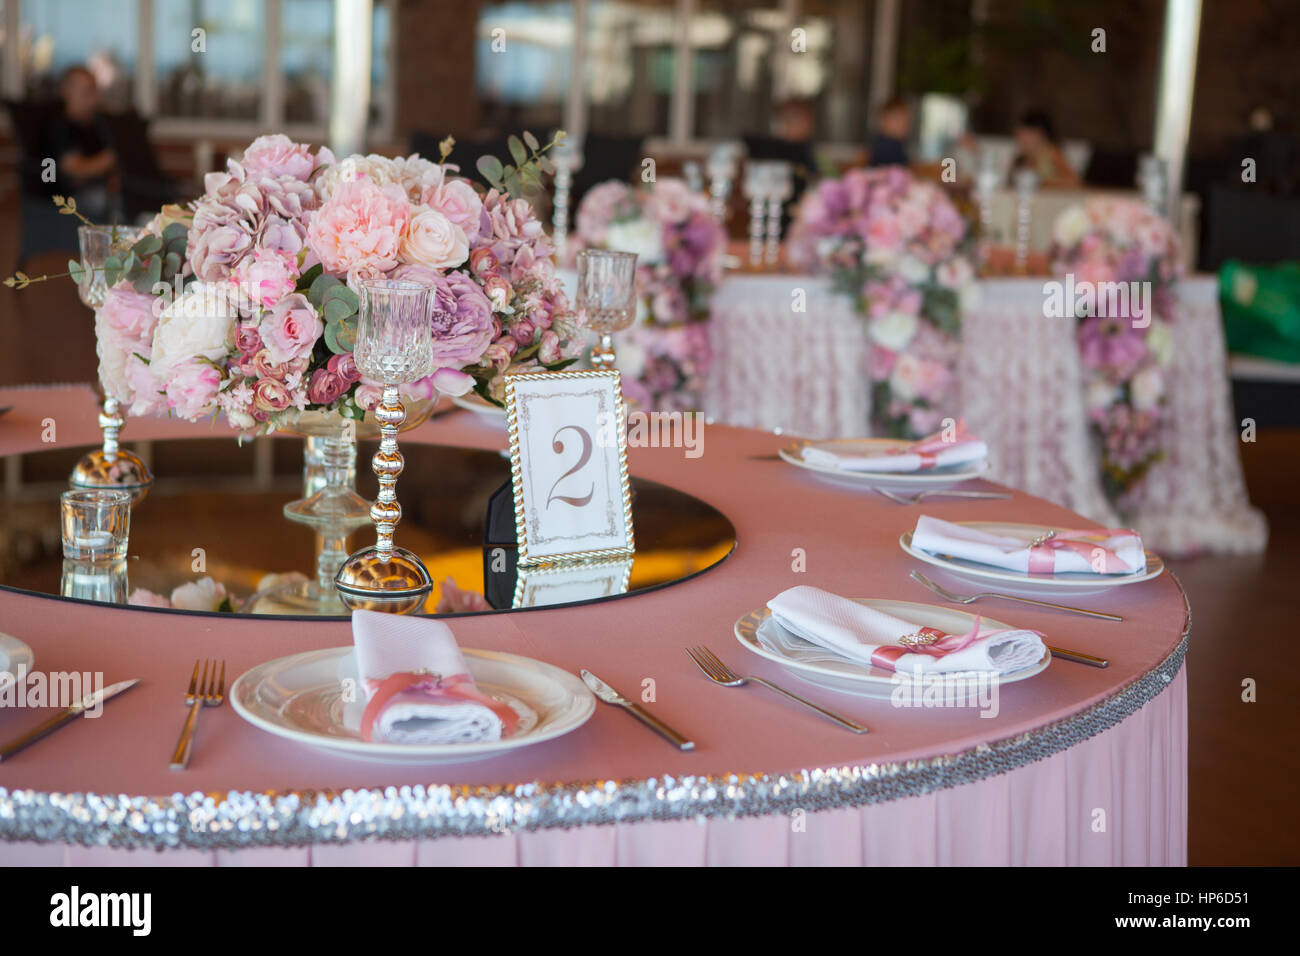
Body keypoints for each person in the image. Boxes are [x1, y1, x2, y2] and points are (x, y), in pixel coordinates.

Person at [45, 66, 119, 221]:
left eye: (94, 91)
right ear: (67, 91)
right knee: (109, 201)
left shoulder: (95, 125)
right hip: (68, 197)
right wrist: (109, 159)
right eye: (87, 91)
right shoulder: (60, 127)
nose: (94, 98)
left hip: (99, 190)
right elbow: (74, 170)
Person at [1010, 109, 1079, 188]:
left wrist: (1042, 184)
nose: (1021, 140)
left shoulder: (1051, 153)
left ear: (1041, 135)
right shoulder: (1022, 159)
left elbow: (1074, 182)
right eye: (1019, 135)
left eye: (1026, 135)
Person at [867, 96, 911, 167]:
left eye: (906, 122)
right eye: (897, 121)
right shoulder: (886, 146)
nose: (902, 126)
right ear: (883, 122)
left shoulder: (897, 145)